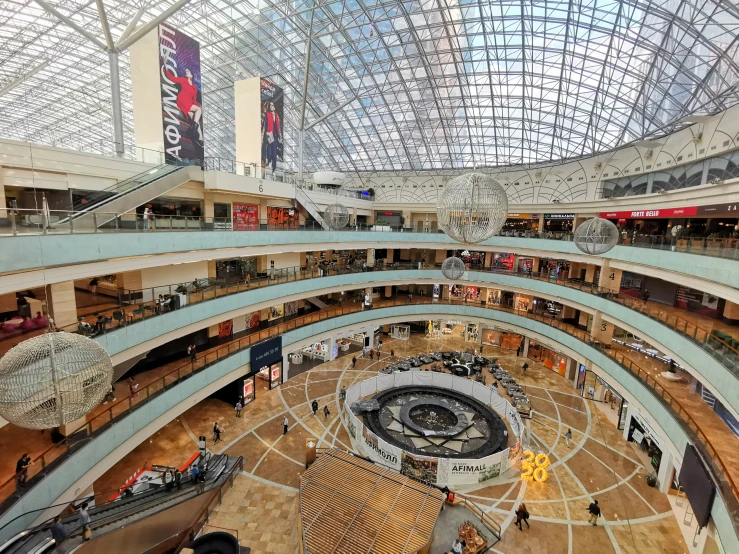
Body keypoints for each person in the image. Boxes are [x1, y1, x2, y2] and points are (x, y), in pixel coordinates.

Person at [162, 65, 203, 146]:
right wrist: (166, 67)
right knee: (198, 110)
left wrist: (198, 105)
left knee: (196, 120)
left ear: (192, 74)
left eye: (188, 71)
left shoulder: (194, 88)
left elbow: (194, 100)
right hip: (182, 101)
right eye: (186, 71)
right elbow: (172, 78)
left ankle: (200, 140)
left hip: (189, 104)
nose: (186, 72)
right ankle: (193, 130)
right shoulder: (183, 80)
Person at [263, 101, 281, 172]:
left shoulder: (276, 116)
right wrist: (266, 131)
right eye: (270, 105)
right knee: (269, 152)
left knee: (274, 153)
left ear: (274, 107)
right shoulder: (267, 114)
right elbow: (266, 124)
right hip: (270, 135)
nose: (271, 106)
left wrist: (279, 136)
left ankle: (274, 168)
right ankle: (269, 161)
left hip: (276, 136)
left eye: (272, 105)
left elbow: (278, 126)